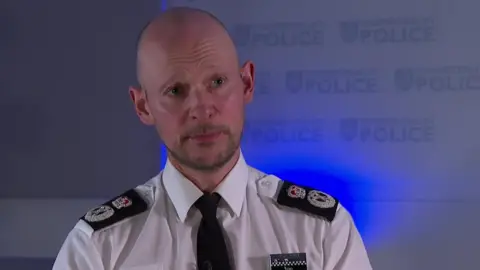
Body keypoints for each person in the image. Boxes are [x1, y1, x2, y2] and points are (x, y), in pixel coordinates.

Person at [52, 7, 373, 270]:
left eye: (217, 81)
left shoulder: (321, 230)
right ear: (143, 105)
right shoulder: (99, 249)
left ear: (246, 82)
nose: (202, 109)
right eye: (176, 91)